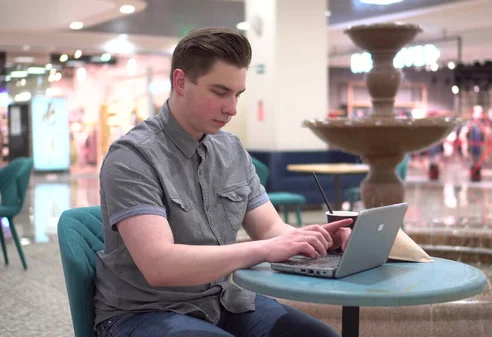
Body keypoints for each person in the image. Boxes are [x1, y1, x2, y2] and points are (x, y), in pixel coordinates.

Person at [93, 27, 353, 337]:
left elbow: (270, 229)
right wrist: (264, 249)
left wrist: (313, 241)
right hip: (143, 312)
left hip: (226, 303)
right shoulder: (132, 157)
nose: (232, 108)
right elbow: (159, 264)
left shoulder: (231, 150)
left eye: (237, 94)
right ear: (180, 82)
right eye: (219, 92)